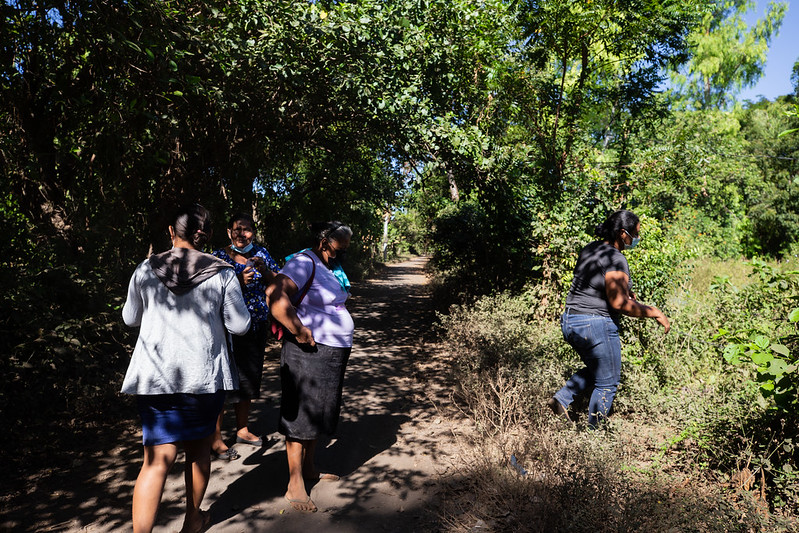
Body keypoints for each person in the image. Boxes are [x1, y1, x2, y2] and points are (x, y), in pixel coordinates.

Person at [121, 204, 251, 533]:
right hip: (204, 377)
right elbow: (240, 326)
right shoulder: (222, 272)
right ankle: (193, 519)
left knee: (155, 462)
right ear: (206, 235)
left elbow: (129, 318)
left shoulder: (146, 268)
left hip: (155, 378)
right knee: (198, 450)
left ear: (171, 232)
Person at [548, 210, 670, 429]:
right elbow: (619, 304)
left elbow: (596, 286)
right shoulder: (615, 258)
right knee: (607, 382)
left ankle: (562, 399)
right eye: (635, 234)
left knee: (598, 368)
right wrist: (654, 312)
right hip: (594, 324)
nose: (636, 239)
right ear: (623, 233)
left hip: (570, 320)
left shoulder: (590, 249)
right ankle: (595, 437)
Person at [266, 221, 354, 513]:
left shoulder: (331, 265)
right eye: (342, 241)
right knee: (301, 417)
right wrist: (299, 329)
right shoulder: (305, 262)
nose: (346, 246)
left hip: (330, 351)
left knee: (318, 412)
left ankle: (309, 468)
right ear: (325, 241)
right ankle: (294, 484)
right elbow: (275, 296)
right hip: (308, 351)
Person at [209, 213, 280, 459]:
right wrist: (237, 280)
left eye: (247, 229)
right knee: (222, 381)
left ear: (253, 232)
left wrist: (265, 270)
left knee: (248, 379)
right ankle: (216, 439)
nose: (242, 234)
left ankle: (242, 429)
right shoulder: (217, 257)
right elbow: (210, 293)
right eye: (237, 229)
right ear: (229, 232)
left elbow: (278, 283)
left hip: (255, 327)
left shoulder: (262, 253)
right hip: (226, 329)